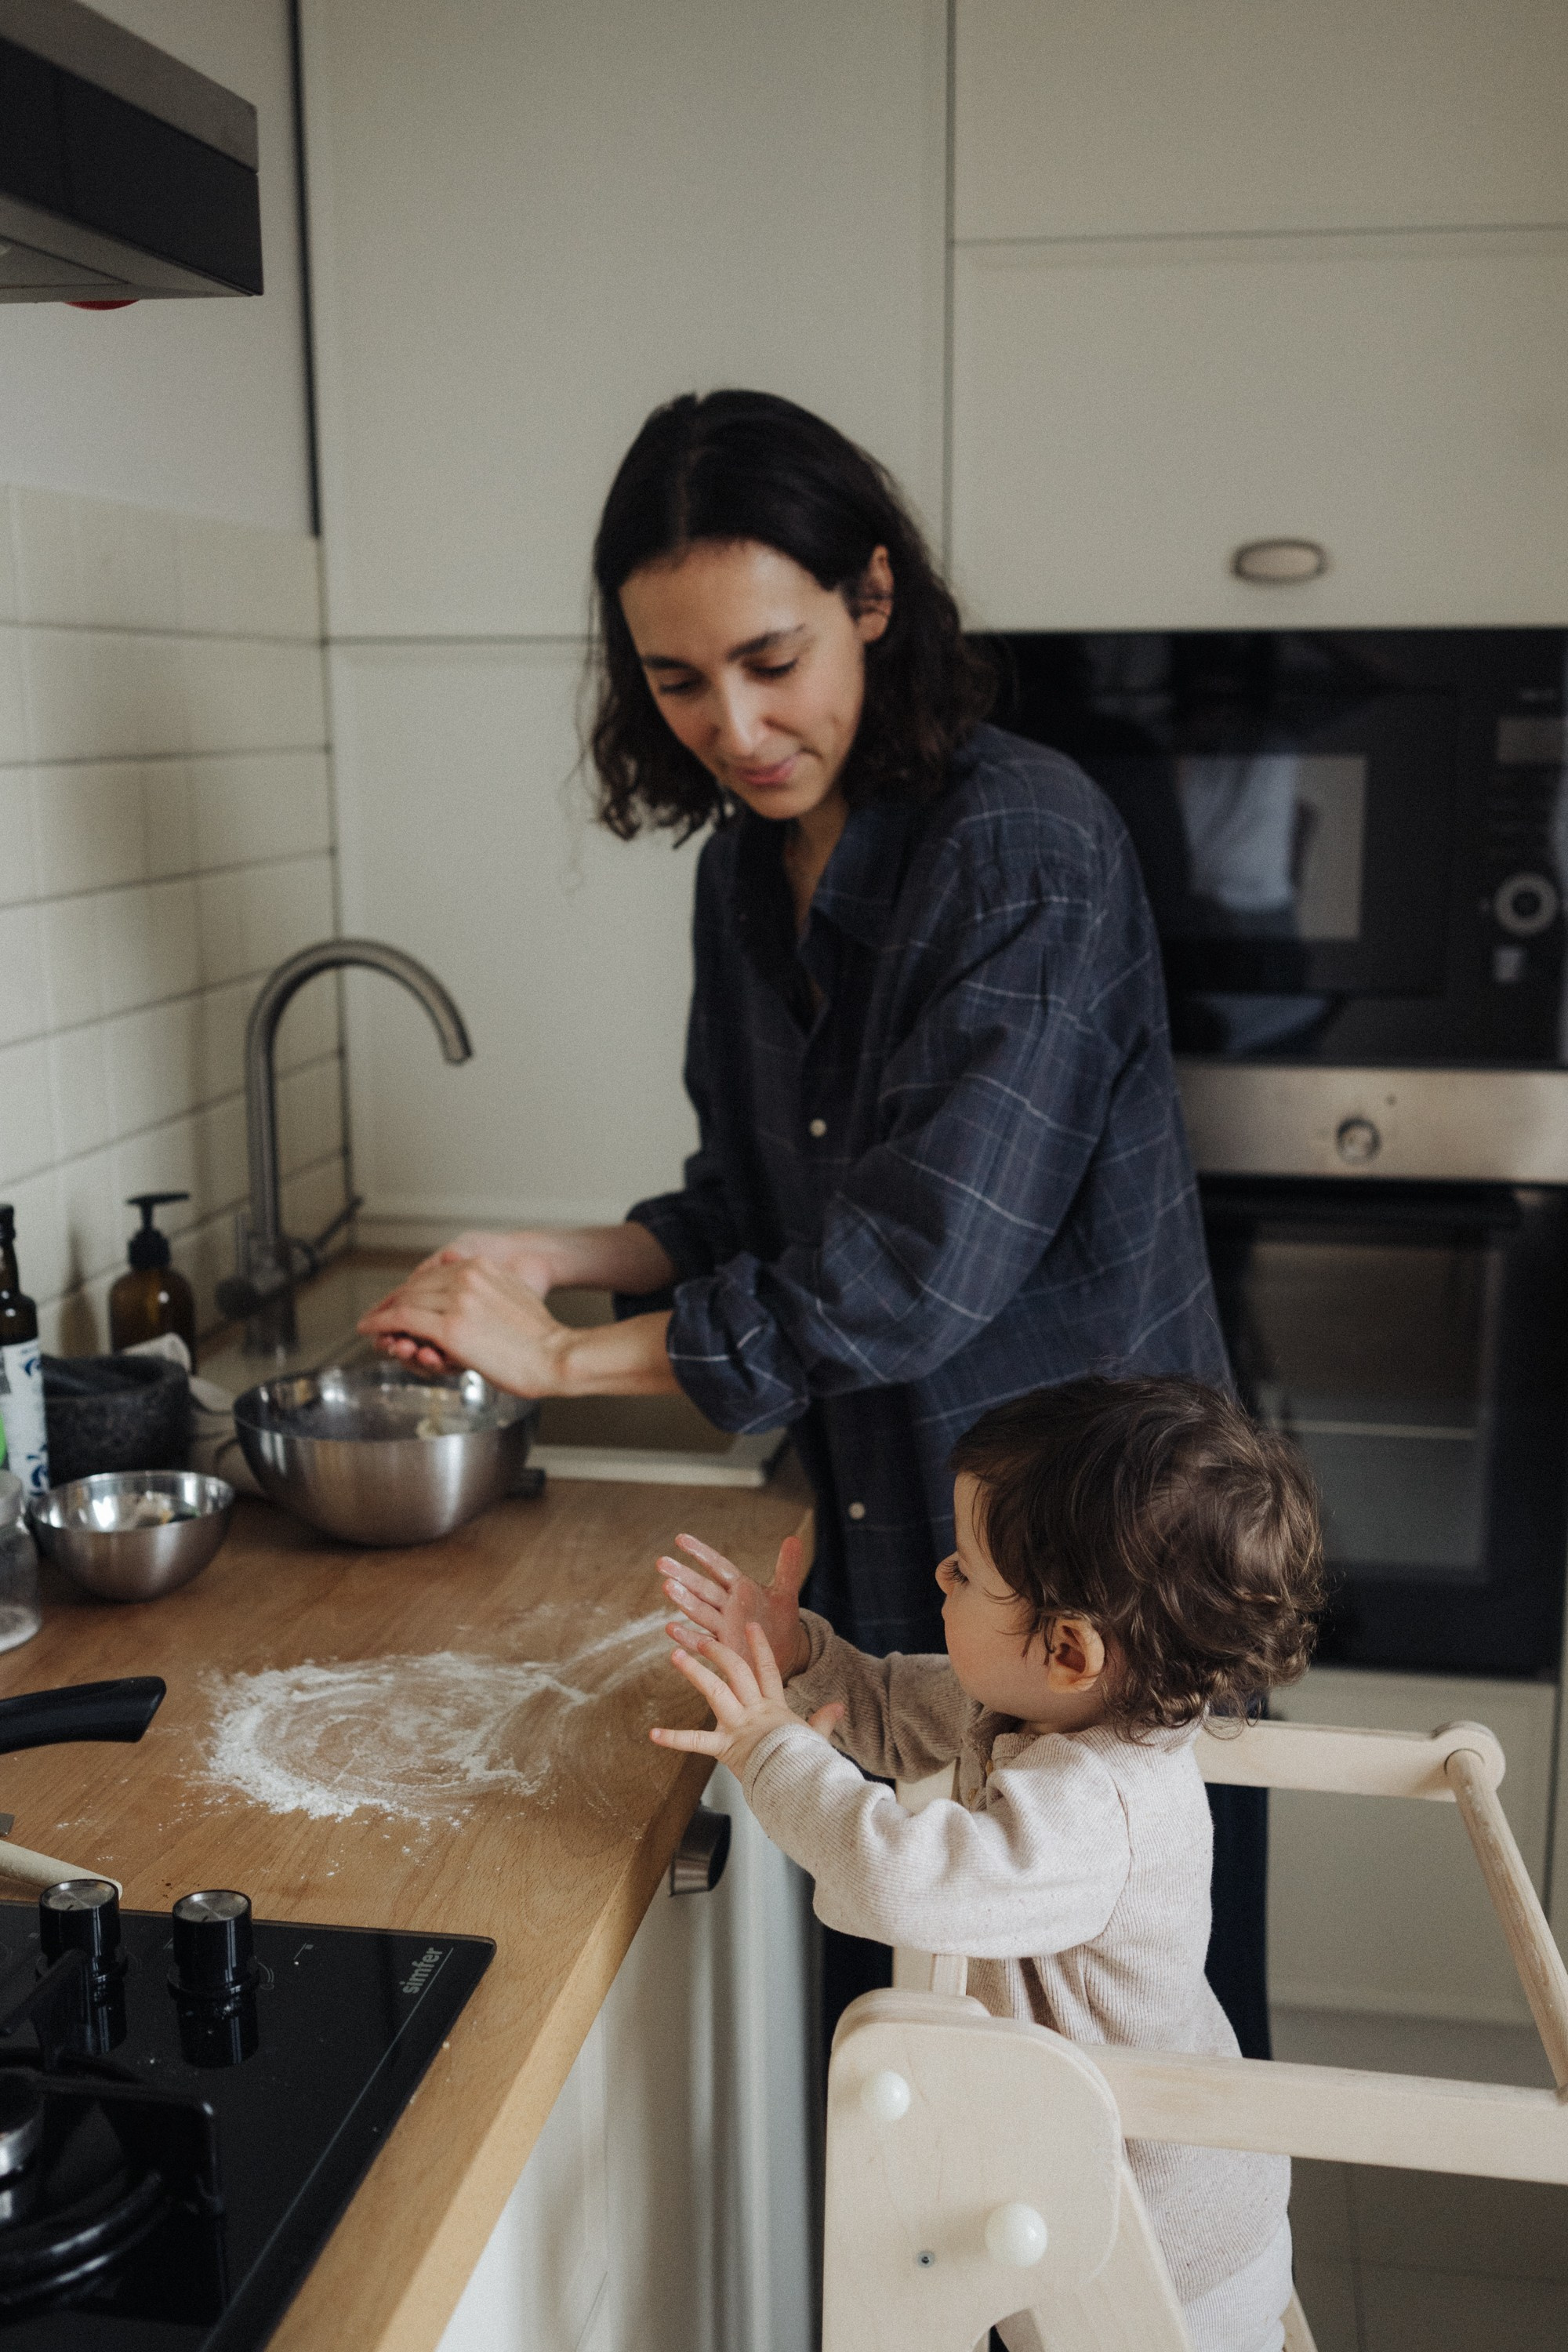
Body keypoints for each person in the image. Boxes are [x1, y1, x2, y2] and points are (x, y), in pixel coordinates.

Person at [358, 388, 1265, 2050]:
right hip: (894, 1564)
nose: (733, 725)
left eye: (771, 660)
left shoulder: (1023, 847)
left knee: (1131, 2112)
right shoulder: (742, 868)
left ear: (872, 598)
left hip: (1095, 1598)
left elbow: (904, 1275)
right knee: (909, 2102)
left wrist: (557, 1366)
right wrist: (548, 1261)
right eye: (677, 679)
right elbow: (751, 1202)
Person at [648, 1376, 1324, 2352]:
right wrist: (799, 1655)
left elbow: (904, 1881)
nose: (938, 1577)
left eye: (965, 1572)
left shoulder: (1095, 1806)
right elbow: (888, 1704)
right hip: (1096, 2188)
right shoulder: (1045, 1714)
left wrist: (767, 1750)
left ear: (1067, 1649)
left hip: (1156, 2252)